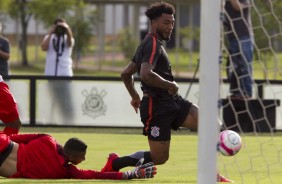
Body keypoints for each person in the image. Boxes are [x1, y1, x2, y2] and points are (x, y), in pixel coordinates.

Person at [100, 2, 231, 182]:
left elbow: (126, 73)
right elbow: (145, 74)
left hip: (172, 101)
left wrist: (135, 97)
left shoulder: (149, 43)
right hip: (157, 107)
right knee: (160, 158)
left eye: (172, 23)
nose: (170, 27)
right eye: (166, 22)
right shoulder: (152, 44)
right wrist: (169, 84)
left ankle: (213, 175)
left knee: (210, 123)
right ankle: (115, 164)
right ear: (154, 22)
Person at [0, 131, 157, 180]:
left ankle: (115, 162)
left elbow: (15, 137)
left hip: (5, 143)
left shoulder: (47, 139)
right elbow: (94, 175)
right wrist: (131, 174)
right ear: (73, 158)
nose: (84, 159)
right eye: (82, 156)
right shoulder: (66, 171)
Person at [41, 18, 75, 123]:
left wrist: (67, 29)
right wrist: (51, 33)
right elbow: (43, 47)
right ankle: (52, 119)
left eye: (62, 27)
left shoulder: (68, 38)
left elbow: (70, 43)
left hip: (64, 74)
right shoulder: (49, 37)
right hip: (51, 73)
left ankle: (68, 120)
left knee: (66, 99)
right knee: (52, 99)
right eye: (57, 26)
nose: (59, 29)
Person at [224, 0, 253, 99]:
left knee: (245, 65)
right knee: (235, 66)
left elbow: (237, 6)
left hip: (244, 35)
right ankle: (237, 92)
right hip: (232, 36)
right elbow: (235, 6)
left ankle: (246, 92)